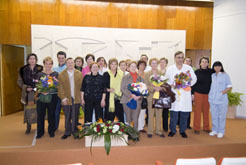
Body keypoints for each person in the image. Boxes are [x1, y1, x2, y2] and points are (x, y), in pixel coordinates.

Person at [166, 51, 197, 138]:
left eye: (182, 57)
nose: (180, 59)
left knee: (185, 114)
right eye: (178, 57)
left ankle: (182, 130)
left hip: (185, 93)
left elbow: (194, 79)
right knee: (174, 114)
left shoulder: (188, 68)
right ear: (175, 58)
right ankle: (172, 130)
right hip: (174, 93)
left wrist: (187, 84)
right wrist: (171, 84)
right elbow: (166, 80)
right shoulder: (170, 68)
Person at [17, 53, 43, 134]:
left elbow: (43, 80)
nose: (32, 60)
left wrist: (38, 88)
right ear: (28, 60)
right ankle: (28, 127)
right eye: (30, 58)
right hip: (28, 94)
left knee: (38, 110)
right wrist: (25, 87)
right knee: (28, 110)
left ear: (36, 60)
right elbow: (19, 81)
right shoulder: (23, 70)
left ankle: (40, 127)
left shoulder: (40, 69)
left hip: (37, 93)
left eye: (34, 58)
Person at [58, 58, 83, 139]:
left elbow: (82, 87)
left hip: (76, 98)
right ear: (66, 64)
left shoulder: (79, 73)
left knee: (75, 116)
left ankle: (75, 132)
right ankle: (67, 131)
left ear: (74, 63)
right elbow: (60, 87)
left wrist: (82, 98)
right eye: (68, 63)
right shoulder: (61, 74)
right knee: (67, 116)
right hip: (66, 99)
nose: (70, 64)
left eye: (72, 62)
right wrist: (63, 98)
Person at [36, 57, 58, 139]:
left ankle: (51, 131)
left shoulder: (55, 74)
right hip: (41, 97)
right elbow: (36, 86)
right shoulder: (39, 74)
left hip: (52, 97)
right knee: (40, 115)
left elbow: (57, 86)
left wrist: (49, 91)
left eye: (50, 63)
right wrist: (41, 91)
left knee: (51, 115)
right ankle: (40, 132)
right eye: (46, 63)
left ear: (52, 65)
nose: (48, 65)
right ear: (44, 64)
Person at [121, 61, 144, 139]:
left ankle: (135, 134)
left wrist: (139, 96)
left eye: (135, 66)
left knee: (135, 118)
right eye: (132, 66)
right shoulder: (125, 77)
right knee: (128, 118)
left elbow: (143, 90)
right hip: (127, 100)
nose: (133, 68)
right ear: (128, 68)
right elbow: (123, 88)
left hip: (137, 101)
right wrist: (131, 95)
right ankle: (128, 134)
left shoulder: (140, 78)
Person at [209, 61, 232, 138]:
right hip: (212, 99)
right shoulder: (212, 75)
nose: (217, 67)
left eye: (219, 66)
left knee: (221, 116)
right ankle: (215, 130)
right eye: (215, 66)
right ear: (213, 67)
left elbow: (229, 87)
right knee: (214, 115)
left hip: (222, 100)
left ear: (221, 67)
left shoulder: (225, 75)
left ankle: (221, 131)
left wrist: (221, 93)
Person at [192, 57, 213, 134]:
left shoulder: (211, 71)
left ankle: (206, 127)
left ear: (208, 63)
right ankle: (196, 127)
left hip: (208, 94)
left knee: (206, 111)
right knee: (197, 111)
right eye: (202, 62)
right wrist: (192, 94)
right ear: (200, 63)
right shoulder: (196, 72)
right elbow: (193, 83)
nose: (204, 63)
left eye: (206, 62)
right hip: (198, 93)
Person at [145, 58, 165, 138]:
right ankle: (150, 131)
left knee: (159, 114)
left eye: (156, 63)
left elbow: (164, 84)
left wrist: (160, 88)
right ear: (150, 64)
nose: (154, 65)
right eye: (152, 63)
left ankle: (158, 131)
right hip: (151, 96)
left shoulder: (161, 73)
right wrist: (154, 88)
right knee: (150, 113)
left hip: (159, 96)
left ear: (158, 64)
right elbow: (146, 85)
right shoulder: (147, 74)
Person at [104, 58, 124, 122]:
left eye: (115, 64)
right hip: (109, 97)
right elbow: (103, 86)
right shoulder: (106, 74)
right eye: (112, 64)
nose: (114, 66)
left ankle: (121, 130)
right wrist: (108, 90)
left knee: (120, 115)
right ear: (109, 65)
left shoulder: (121, 73)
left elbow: (123, 85)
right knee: (109, 115)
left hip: (119, 97)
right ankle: (109, 130)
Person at [53, 51, 67, 131]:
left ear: (65, 58)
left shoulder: (67, 68)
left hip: (66, 94)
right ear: (57, 58)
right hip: (56, 93)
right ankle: (55, 127)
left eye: (62, 58)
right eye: (59, 58)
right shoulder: (54, 69)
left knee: (67, 112)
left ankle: (67, 128)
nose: (61, 59)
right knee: (56, 111)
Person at [137, 60, 147, 133]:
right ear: (138, 66)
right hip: (136, 95)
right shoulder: (135, 73)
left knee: (143, 112)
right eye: (141, 65)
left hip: (144, 95)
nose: (142, 66)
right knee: (136, 112)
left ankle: (141, 127)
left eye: (143, 65)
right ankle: (136, 127)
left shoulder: (146, 74)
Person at [159, 57, 169, 132]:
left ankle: (165, 127)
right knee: (158, 110)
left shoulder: (168, 71)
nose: (162, 63)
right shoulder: (157, 72)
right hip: (158, 93)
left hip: (166, 93)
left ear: (166, 64)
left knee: (165, 111)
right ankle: (158, 127)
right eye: (161, 62)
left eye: (164, 62)